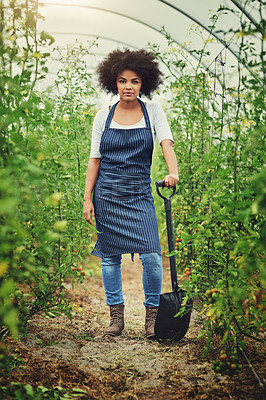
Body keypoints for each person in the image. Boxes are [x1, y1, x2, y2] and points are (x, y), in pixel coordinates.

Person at [83, 49, 179, 338]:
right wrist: (87, 198)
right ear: (113, 82)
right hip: (108, 194)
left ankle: (152, 318)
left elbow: (166, 143)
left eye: (135, 81)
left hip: (139, 194)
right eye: (123, 80)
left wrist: (172, 172)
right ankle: (116, 318)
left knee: (151, 254)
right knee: (110, 256)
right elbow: (94, 159)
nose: (128, 86)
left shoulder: (153, 112)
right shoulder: (103, 116)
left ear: (143, 84)